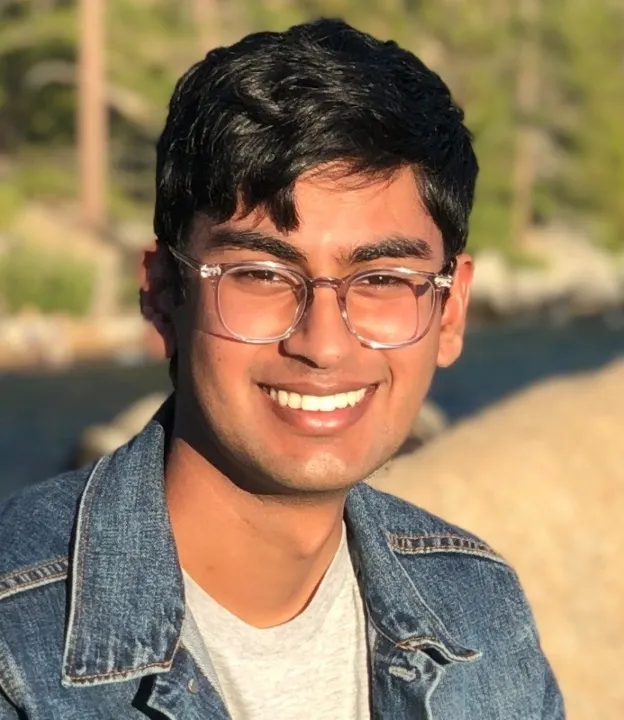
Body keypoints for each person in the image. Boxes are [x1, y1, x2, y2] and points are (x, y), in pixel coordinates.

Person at [0, 18, 564, 720]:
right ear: (163, 294)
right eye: (262, 275)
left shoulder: (480, 616)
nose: (323, 345)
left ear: (450, 313)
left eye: (383, 279)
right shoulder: (16, 649)